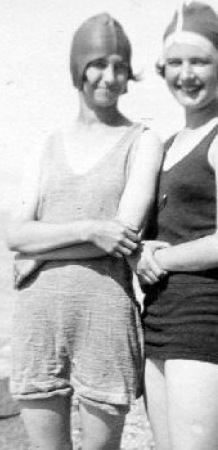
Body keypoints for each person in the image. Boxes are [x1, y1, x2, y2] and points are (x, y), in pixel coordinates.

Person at [6, 13, 163, 450]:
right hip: (38, 318)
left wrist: (38, 251)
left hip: (104, 317)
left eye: (119, 66)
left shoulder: (143, 141)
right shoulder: (46, 144)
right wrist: (90, 229)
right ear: (78, 67)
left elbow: (124, 235)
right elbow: (15, 235)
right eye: (98, 64)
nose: (109, 77)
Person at [134, 3, 218, 450]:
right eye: (176, 62)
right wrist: (139, 251)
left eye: (200, 61)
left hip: (205, 322)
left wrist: (160, 258)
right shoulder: (168, 145)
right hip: (159, 319)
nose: (186, 74)